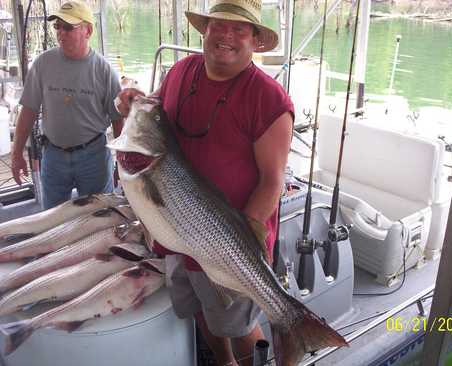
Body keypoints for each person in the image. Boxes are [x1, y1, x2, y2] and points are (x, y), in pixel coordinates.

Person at [116, 1, 294, 365]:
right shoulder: (182, 70)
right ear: (205, 30)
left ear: (256, 41)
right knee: (199, 309)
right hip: (175, 226)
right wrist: (131, 104)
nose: (226, 35)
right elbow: (153, 118)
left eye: (240, 28)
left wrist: (235, 243)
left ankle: (282, 338)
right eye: (218, 25)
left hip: (227, 238)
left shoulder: (270, 100)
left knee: (239, 325)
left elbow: (273, 182)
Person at [11, 0, 123, 209]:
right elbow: (28, 111)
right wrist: (17, 154)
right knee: (52, 218)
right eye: (57, 27)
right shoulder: (43, 64)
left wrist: (122, 164)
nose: (61, 33)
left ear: (88, 31)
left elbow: (118, 120)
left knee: (97, 217)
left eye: (68, 27)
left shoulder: (104, 70)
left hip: (94, 157)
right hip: (53, 156)